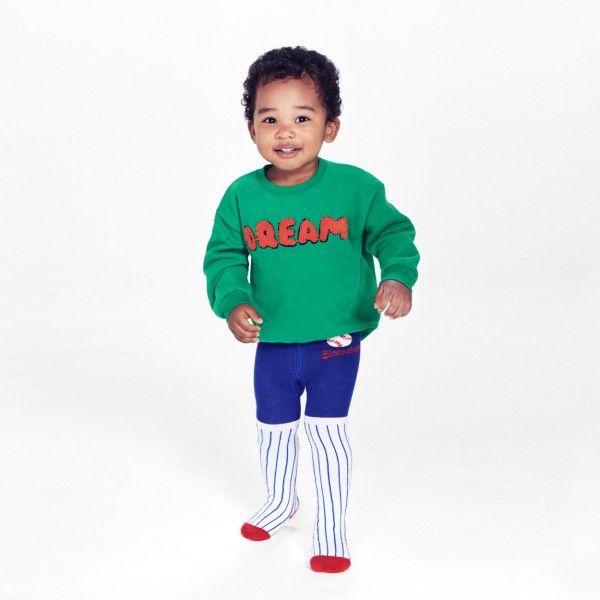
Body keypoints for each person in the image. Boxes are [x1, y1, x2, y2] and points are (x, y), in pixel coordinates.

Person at [203, 46, 420, 574]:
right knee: (273, 428)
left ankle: (331, 528)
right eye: (269, 119)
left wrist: (397, 275)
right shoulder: (241, 196)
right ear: (251, 129)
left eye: (302, 118)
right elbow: (224, 257)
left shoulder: (356, 188)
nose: (285, 131)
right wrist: (233, 301)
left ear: (331, 127)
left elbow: (393, 234)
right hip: (274, 340)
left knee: (326, 433)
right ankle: (281, 501)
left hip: (335, 339)